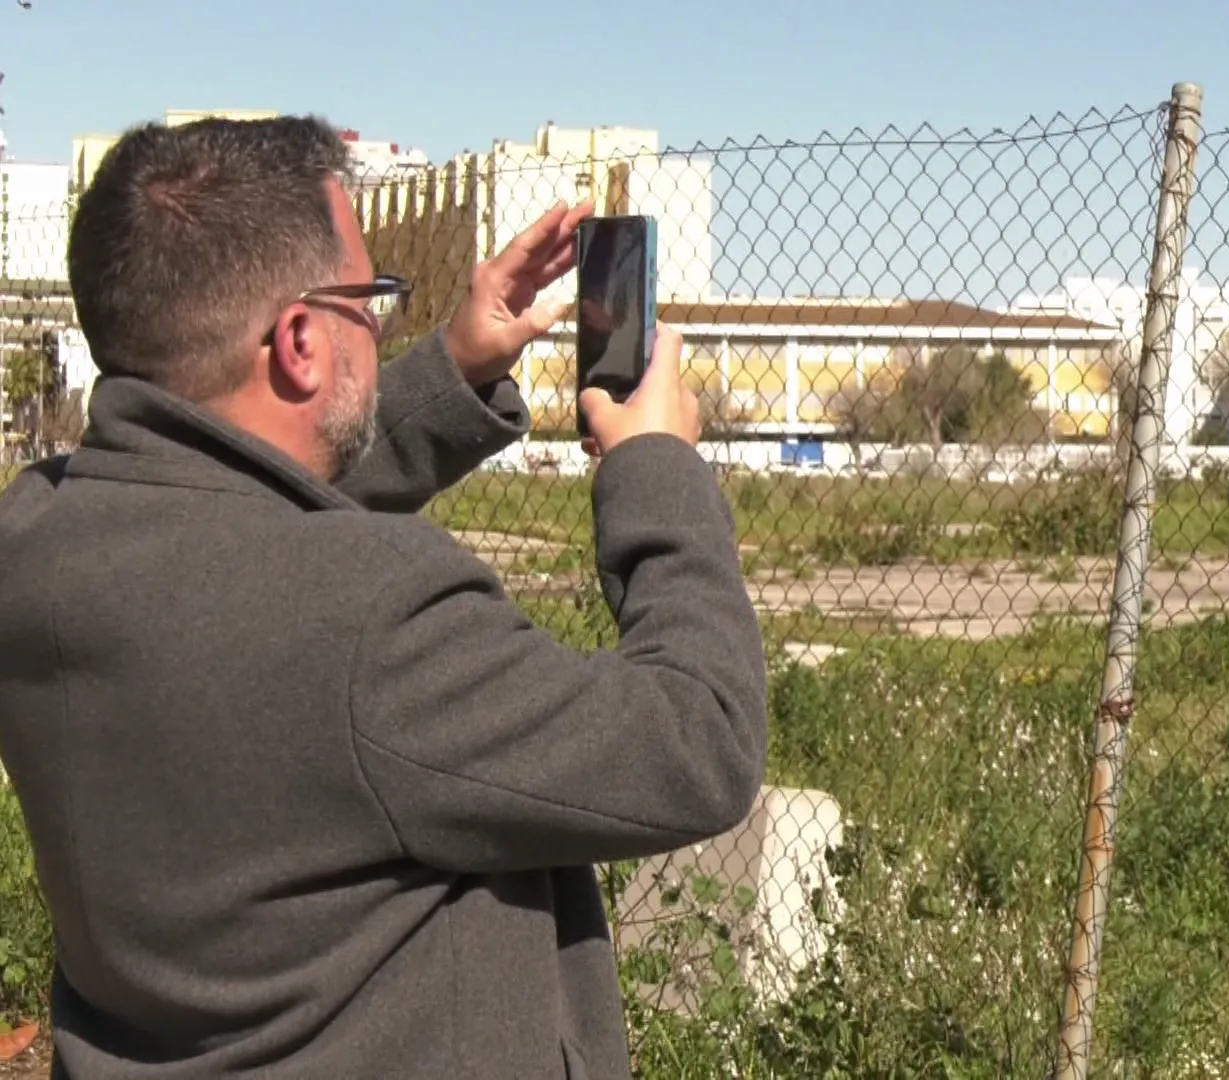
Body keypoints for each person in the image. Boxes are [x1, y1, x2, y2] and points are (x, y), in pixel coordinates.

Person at [0, 115, 768, 1079]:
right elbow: (698, 742)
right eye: (371, 301)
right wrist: (656, 469)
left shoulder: (39, 539)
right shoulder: (376, 618)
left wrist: (455, 365)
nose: (383, 320)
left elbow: (227, 524)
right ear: (298, 342)